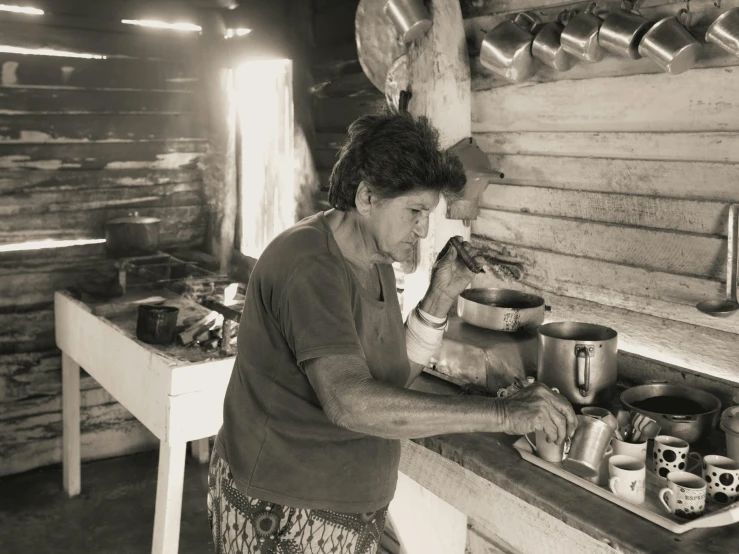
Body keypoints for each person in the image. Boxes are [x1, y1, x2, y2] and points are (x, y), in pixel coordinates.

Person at [208, 110, 577, 554]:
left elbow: (390, 376)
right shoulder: (309, 265)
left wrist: (440, 297)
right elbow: (349, 401)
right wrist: (504, 413)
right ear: (366, 197)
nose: (423, 229)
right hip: (282, 508)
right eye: (415, 211)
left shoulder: (376, 258)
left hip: (347, 505)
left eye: (429, 213)